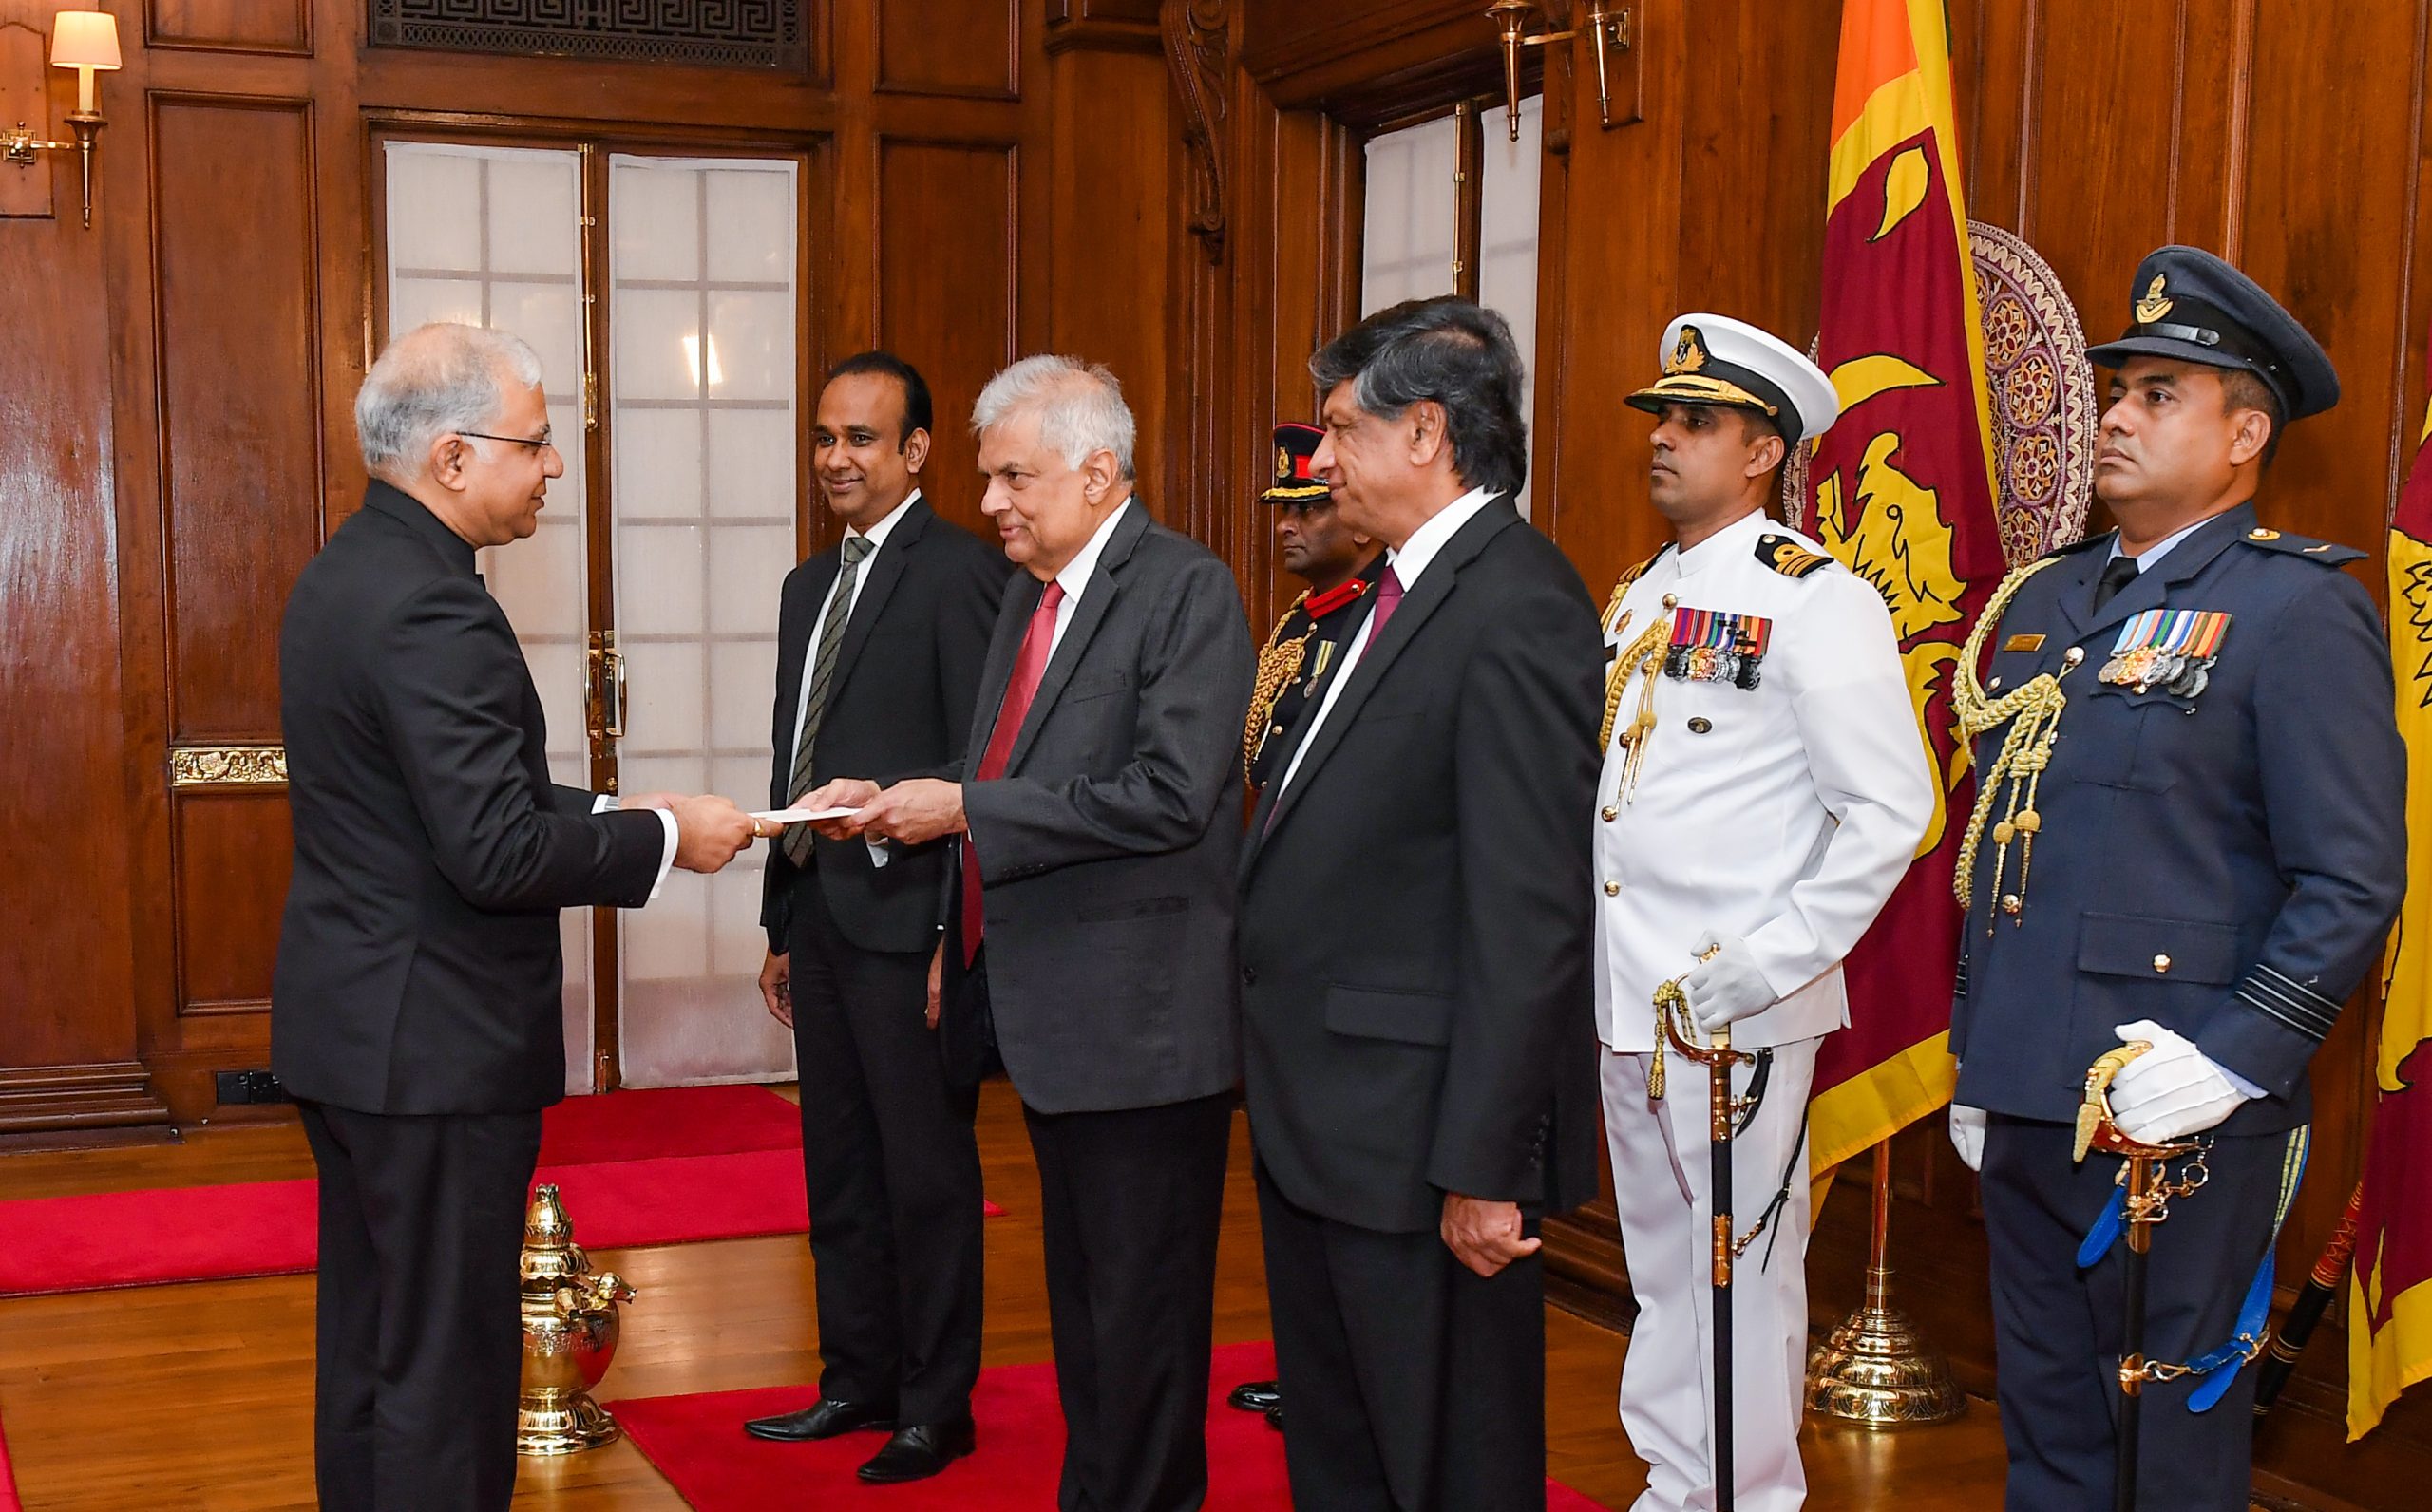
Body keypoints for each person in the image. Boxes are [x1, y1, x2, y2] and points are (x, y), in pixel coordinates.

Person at [1947, 246, 2405, 1511]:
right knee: (2047, 1431)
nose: (2117, 416)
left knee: (2167, 1449)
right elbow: (2004, 847)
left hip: (2178, 1105)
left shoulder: (2293, 609)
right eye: (2117, 391)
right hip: (2028, 1089)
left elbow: (2351, 875)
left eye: (2160, 394)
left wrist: (2234, 1059)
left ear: (2245, 435)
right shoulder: (2047, 601)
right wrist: (1981, 1049)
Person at [273, 322, 755, 1511]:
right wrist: (664, 842)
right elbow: (491, 848)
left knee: (376, 1346)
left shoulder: (348, 572)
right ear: (451, 456)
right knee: (449, 1370)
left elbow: (451, 795)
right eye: (535, 443)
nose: (552, 466)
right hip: (434, 1045)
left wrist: (623, 810)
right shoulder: (435, 607)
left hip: (358, 1030)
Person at [816, 355, 1254, 1512]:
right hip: (1051, 1011)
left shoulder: (1186, 589)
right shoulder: (1030, 594)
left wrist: (964, 807)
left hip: (1142, 1023)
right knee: (1088, 1318)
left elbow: (1170, 793)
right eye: (989, 476)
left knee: (1142, 1321)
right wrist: (901, 794)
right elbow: (1012, 766)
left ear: (1097, 471)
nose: (991, 501)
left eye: (1014, 476)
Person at [1236, 296, 1606, 1509]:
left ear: (1427, 432)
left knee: (1447, 1460)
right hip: (1331, 1122)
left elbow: (1527, 910)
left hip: (1421, 1139)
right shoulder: (1390, 593)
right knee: (1343, 1450)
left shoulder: (1516, 602)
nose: (1322, 460)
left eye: (1343, 429)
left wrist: (1487, 1164)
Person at [1593, 314, 1934, 1512]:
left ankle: (1748, 1498)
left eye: (1696, 421)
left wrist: (1766, 963)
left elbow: (1890, 807)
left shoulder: (1814, 596)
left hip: (1733, 1004)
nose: (1664, 438)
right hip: (1630, 996)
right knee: (1662, 1267)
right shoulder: (1642, 591)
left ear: (1763, 450)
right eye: (1661, 418)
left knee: (1739, 1267)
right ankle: (1676, 1481)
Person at [742, 352, 1010, 1482]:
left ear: (916, 450)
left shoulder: (962, 572)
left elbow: (982, 760)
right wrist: (778, 919)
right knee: (839, 1166)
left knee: (926, 1175)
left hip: (913, 920)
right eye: (823, 436)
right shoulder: (807, 584)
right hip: (820, 914)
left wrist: (955, 935)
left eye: (860, 437)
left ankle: (935, 1405)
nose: (836, 457)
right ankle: (854, 1377)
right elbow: (791, 754)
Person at [1227, 419, 1388, 1434]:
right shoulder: (1297, 624)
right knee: (1284, 1176)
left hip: (1350, 947)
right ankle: (1308, 1370)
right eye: (1282, 510)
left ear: (1363, 520)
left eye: (1312, 508)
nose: (1289, 526)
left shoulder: (1384, 624)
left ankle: (1344, 1381)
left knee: (1338, 1186)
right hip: (1280, 947)